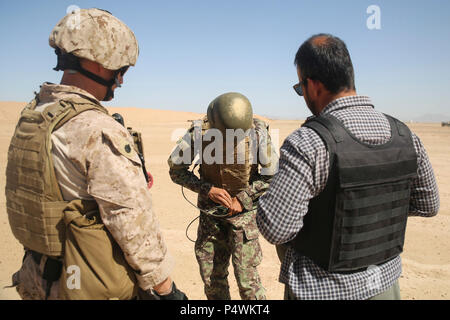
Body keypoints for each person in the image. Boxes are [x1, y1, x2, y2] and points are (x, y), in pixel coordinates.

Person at [5, 8, 186, 300]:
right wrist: (167, 290)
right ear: (101, 63)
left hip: (37, 277)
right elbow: (131, 221)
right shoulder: (95, 128)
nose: (121, 81)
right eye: (121, 70)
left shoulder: (36, 114)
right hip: (84, 285)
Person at [256, 34, 440, 300]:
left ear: (314, 85)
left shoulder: (308, 141)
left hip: (324, 291)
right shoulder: (404, 134)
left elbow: (277, 229)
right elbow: (428, 205)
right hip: (386, 286)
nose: (302, 94)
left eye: (300, 88)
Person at [168, 92, 278, 300]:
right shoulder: (199, 132)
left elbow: (272, 176)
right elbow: (176, 170)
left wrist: (242, 199)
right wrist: (207, 189)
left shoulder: (258, 133)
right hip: (212, 215)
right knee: (212, 279)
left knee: (248, 283)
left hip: (244, 217)